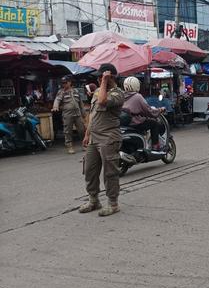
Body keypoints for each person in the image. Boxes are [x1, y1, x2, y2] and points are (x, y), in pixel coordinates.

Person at [80, 64, 124, 217]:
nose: (99, 79)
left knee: (110, 173)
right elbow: (93, 114)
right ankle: (93, 200)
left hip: (108, 137)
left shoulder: (118, 93)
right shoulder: (98, 91)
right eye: (99, 77)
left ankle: (113, 203)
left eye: (102, 77)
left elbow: (103, 102)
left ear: (110, 77)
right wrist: (87, 134)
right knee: (89, 170)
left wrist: (105, 81)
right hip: (94, 137)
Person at [122, 77, 166, 150]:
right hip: (135, 122)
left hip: (125, 123)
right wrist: (160, 110)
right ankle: (155, 146)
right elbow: (148, 111)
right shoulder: (137, 96)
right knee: (154, 124)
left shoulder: (121, 95)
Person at [52, 76, 86, 154]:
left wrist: (83, 114)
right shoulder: (61, 92)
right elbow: (57, 100)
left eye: (65, 83)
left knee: (82, 130)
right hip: (67, 114)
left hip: (77, 113)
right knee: (68, 131)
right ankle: (69, 146)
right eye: (62, 83)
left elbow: (80, 103)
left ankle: (84, 144)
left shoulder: (76, 91)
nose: (63, 84)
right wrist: (55, 106)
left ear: (70, 82)